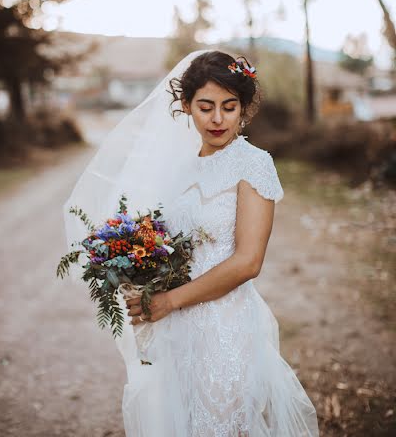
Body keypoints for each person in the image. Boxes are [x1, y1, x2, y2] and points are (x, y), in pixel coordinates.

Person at [64, 49, 319, 436]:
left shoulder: (253, 164)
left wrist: (169, 300)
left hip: (225, 328)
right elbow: (166, 245)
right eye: (205, 107)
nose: (217, 119)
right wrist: (140, 275)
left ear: (244, 109)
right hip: (175, 331)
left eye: (229, 107)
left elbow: (248, 261)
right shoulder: (180, 168)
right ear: (186, 106)